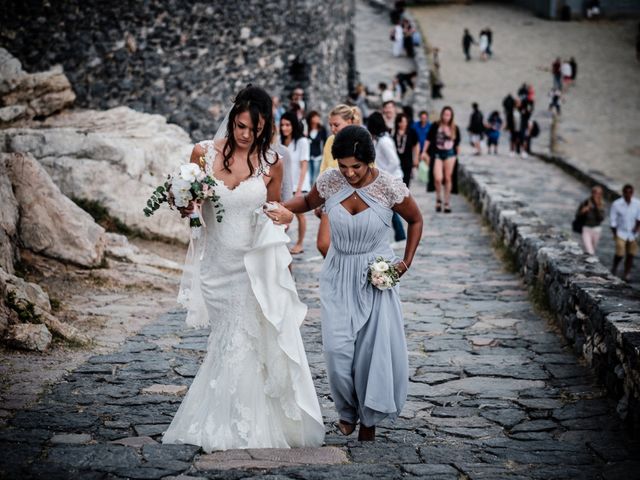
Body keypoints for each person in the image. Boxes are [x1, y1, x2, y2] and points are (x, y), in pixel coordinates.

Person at [162, 86, 325, 452]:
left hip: (251, 265)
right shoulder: (203, 154)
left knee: (244, 340)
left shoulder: (272, 161)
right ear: (232, 118)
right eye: (239, 126)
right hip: (216, 263)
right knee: (226, 339)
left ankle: (240, 423)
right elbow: (186, 203)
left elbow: (274, 211)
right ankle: (229, 415)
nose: (245, 135)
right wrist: (184, 202)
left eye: (254, 129)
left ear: (264, 127)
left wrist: (283, 218)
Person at [264, 125, 423, 442]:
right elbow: (306, 202)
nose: (349, 173)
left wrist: (404, 263)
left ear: (369, 161)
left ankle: (368, 420)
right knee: (337, 353)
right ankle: (347, 409)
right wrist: (276, 207)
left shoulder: (389, 187)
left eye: (356, 166)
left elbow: (416, 220)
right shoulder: (330, 182)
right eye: (343, 165)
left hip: (375, 277)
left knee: (369, 354)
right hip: (338, 273)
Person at [317, 104, 361, 257]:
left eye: (336, 125)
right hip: (330, 198)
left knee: (349, 246)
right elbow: (323, 168)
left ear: (349, 122)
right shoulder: (330, 141)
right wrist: (318, 197)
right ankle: (336, 272)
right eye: (330, 125)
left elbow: (370, 169)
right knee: (323, 244)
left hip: (354, 199)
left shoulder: (361, 140)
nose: (333, 129)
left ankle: (343, 275)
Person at [368, 112, 406, 242]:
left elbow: (394, 162)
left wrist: (384, 177)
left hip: (392, 178)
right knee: (388, 208)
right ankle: (399, 236)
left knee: (388, 208)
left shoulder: (384, 141)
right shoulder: (379, 140)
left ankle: (399, 235)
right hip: (386, 179)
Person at [280, 111, 310, 254]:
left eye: (287, 125)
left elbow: (304, 165)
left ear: (293, 125)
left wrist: (299, 188)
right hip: (285, 185)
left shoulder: (302, 142)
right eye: (282, 125)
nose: (284, 128)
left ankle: (300, 243)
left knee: (300, 215)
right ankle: (283, 242)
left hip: (298, 185)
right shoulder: (282, 141)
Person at [422, 106, 460, 213]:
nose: (446, 117)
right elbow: (428, 139)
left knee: (448, 178)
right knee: (438, 178)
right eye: (445, 114)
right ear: (442, 115)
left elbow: (457, 143)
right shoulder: (436, 125)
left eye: (448, 115)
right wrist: (424, 151)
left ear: (451, 116)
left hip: (450, 154)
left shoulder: (454, 128)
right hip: (438, 153)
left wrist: (457, 155)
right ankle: (438, 198)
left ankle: (447, 202)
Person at [610, 184, 640, 282]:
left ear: (632, 193)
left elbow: (639, 217)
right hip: (620, 232)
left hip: (632, 234)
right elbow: (613, 220)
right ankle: (614, 267)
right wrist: (615, 233)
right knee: (620, 253)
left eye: (630, 192)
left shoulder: (637, 203)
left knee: (631, 254)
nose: (628, 194)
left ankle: (627, 273)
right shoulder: (616, 204)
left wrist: (636, 228)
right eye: (626, 192)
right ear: (623, 193)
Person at [576, 186, 605, 255]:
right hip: (586, 228)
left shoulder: (602, 204)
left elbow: (601, 218)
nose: (597, 195)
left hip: (596, 229)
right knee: (590, 251)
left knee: (592, 250)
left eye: (599, 193)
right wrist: (583, 211)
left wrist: (597, 208)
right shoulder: (585, 202)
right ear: (592, 193)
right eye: (595, 193)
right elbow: (577, 215)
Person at [394, 113, 419, 187]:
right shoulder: (393, 132)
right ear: (398, 123)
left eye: (405, 122)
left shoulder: (411, 132)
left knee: (406, 183)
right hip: (396, 162)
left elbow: (416, 145)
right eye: (401, 122)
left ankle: (405, 198)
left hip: (408, 161)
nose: (403, 124)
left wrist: (416, 158)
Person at [307, 111, 328, 185]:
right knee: (309, 176)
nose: (317, 119)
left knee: (315, 176)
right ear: (311, 118)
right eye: (314, 117)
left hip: (318, 156)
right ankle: (310, 191)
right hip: (308, 156)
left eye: (317, 117)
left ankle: (313, 192)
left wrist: (324, 154)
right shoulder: (307, 129)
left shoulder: (322, 129)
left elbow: (325, 142)